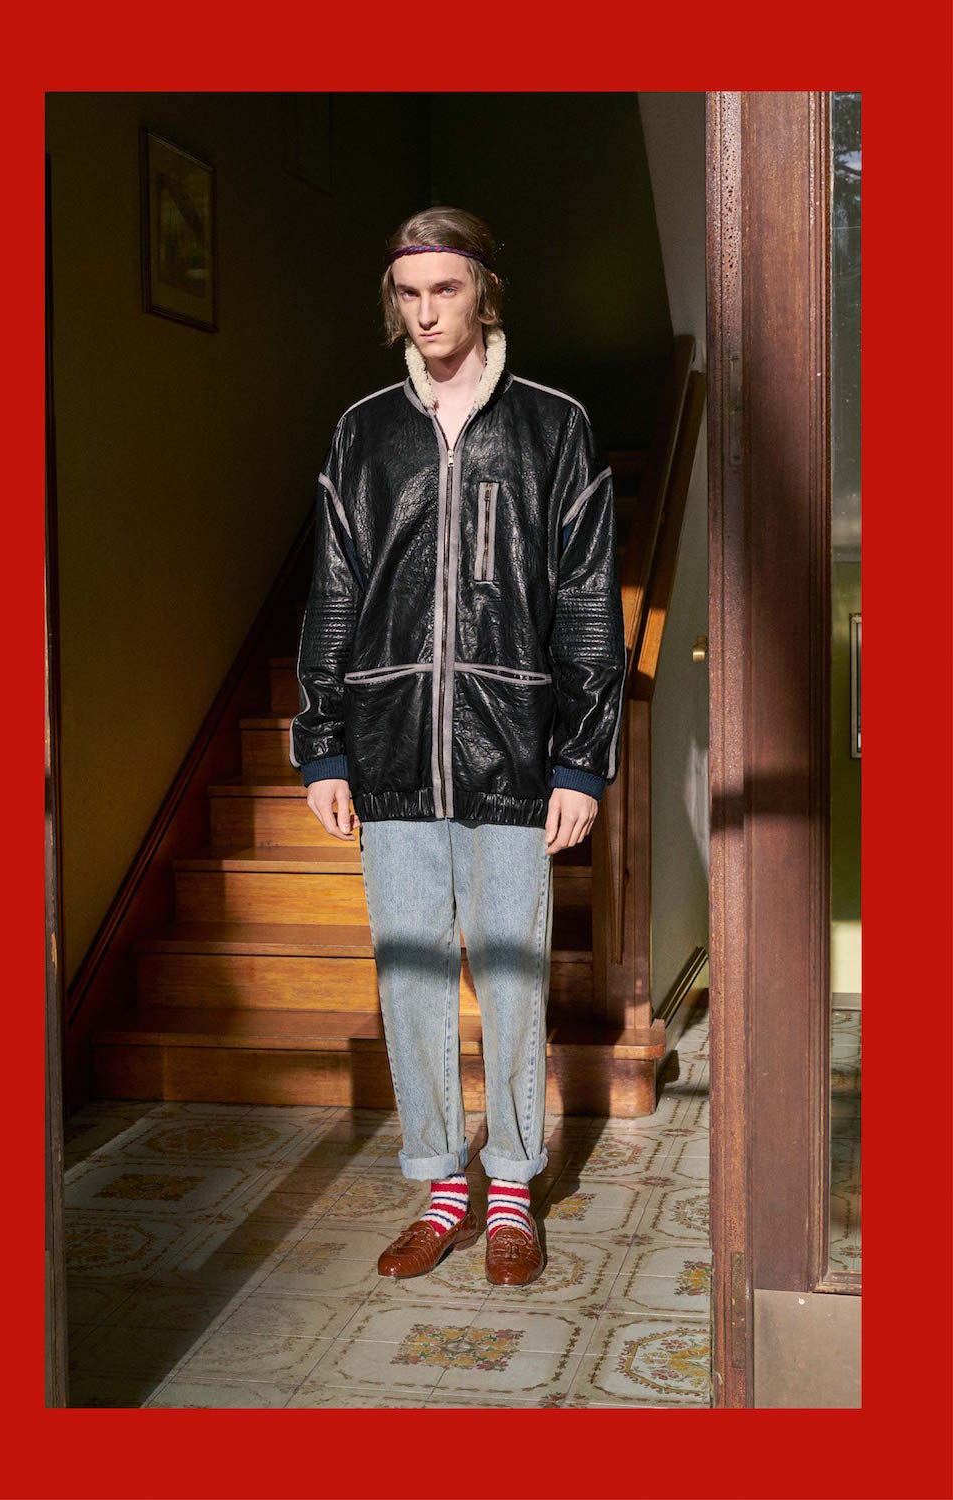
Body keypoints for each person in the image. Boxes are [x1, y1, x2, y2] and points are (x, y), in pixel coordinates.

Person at [289, 206, 627, 1287]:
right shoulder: (363, 433)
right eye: (409, 293)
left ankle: (514, 1189)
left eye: (445, 289)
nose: (426, 311)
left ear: (484, 290)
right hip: (389, 750)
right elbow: (333, 595)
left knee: (514, 979)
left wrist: (580, 760)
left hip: (511, 752)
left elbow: (586, 604)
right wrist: (323, 745)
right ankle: (442, 1187)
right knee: (412, 981)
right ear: (393, 301)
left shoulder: (553, 426)